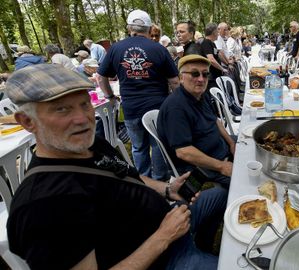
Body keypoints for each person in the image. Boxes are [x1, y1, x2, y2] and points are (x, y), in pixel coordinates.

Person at [5, 63, 227, 269]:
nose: (83, 119)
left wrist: (167, 189)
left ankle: (202, 246)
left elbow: (124, 175)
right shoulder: (44, 204)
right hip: (165, 257)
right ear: (27, 121)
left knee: (224, 193)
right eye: (62, 109)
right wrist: (164, 237)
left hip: (171, 222)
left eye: (85, 104)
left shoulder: (88, 144)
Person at [97, 9, 179, 180]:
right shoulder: (159, 48)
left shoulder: (115, 48)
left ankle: (144, 181)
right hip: (157, 107)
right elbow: (175, 82)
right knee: (158, 145)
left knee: (138, 147)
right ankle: (160, 181)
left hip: (131, 107)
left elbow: (100, 77)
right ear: (149, 29)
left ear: (129, 28)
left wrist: (110, 96)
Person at [157, 55, 234, 188]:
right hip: (202, 169)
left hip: (220, 151)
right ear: (181, 78)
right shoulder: (175, 108)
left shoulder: (200, 95)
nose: (201, 79)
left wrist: (232, 144)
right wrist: (222, 166)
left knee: (251, 146)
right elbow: (183, 152)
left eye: (205, 74)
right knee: (247, 179)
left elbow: (215, 121)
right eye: (194, 74)